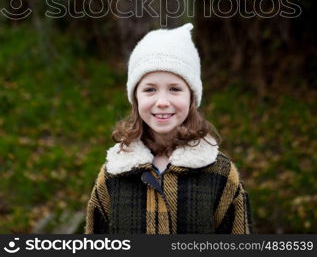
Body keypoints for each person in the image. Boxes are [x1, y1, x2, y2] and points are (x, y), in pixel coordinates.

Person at [85, 23, 253, 234]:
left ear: (191, 97)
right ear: (135, 98)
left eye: (174, 89)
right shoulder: (113, 176)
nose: (162, 101)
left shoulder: (220, 174)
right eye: (150, 89)